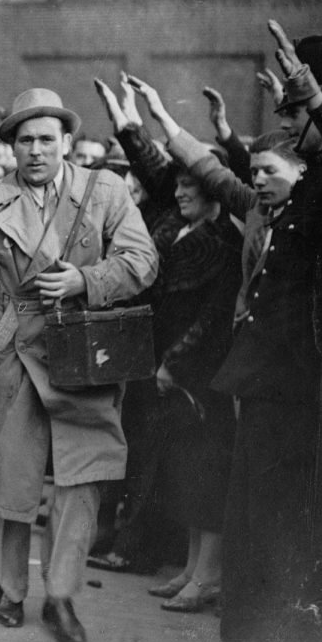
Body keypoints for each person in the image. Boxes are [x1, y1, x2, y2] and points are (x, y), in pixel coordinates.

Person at [125, 27, 322, 642]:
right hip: (265, 381)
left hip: (300, 388)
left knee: (278, 532)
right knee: (252, 523)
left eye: (296, 112)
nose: (287, 123)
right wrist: (159, 124)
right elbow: (216, 175)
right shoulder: (302, 187)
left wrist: (317, 100)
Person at [0, 87, 157, 642]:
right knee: (10, 477)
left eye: (47, 140)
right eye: (25, 140)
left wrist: (86, 280)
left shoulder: (105, 190)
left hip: (84, 346)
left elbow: (143, 260)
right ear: (11, 147)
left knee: (83, 477)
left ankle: (60, 596)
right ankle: (9, 588)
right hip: (13, 347)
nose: (36, 151)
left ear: (67, 142)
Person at [93, 76, 241, 612]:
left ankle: (181, 565)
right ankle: (187, 568)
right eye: (176, 188)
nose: (178, 194)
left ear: (213, 196)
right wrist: (127, 122)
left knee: (187, 465)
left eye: (190, 189)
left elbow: (212, 317)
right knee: (164, 459)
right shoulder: (175, 225)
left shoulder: (223, 242)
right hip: (152, 358)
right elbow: (156, 171)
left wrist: (173, 365)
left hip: (190, 371)